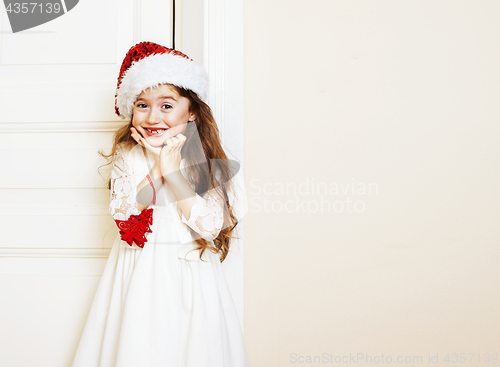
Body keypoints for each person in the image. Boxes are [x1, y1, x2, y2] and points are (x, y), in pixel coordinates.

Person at [71, 41, 249, 367]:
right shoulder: (129, 155)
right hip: (136, 274)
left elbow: (209, 228)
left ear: (192, 110)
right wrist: (156, 167)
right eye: (142, 105)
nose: (153, 117)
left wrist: (173, 171)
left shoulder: (211, 162)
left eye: (166, 106)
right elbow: (126, 216)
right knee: (136, 345)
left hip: (190, 277)